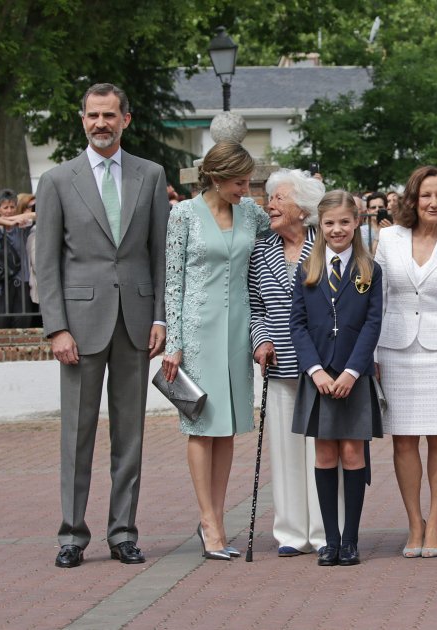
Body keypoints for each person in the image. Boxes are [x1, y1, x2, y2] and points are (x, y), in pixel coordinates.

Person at [36, 83, 168, 568]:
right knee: (77, 435)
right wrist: (56, 329)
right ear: (82, 119)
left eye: (109, 115)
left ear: (125, 120)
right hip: (79, 325)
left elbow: (158, 254)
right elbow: (45, 262)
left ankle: (123, 533)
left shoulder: (150, 176)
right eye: (92, 116)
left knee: (129, 435)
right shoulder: (56, 180)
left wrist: (159, 316)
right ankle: (72, 536)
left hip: (135, 323)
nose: (100, 124)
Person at [161, 141, 269, 561]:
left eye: (249, 181)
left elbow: (282, 239)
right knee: (200, 424)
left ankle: (218, 517)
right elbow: (173, 281)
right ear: (217, 177)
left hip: (239, 330)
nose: (246, 189)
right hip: (197, 330)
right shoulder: (183, 214)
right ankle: (208, 522)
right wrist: (175, 343)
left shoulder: (251, 214)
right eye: (239, 182)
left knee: (227, 427)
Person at [374, 166, 437, 558]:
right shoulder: (387, 237)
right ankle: (413, 522)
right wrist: (373, 354)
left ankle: (436, 521)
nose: (434, 202)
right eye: (426, 195)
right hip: (394, 348)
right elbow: (376, 298)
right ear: (412, 199)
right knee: (403, 439)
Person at [248, 168, 340, 558]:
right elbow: (255, 307)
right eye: (270, 198)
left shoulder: (326, 248)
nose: (270, 205)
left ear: (302, 208)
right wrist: (261, 340)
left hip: (320, 364)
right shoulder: (260, 250)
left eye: (279, 198)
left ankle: (323, 533)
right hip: (280, 365)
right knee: (285, 450)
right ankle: (290, 533)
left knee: (322, 449)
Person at [290, 190, 383, 567]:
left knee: (351, 452)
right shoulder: (306, 268)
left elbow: (373, 323)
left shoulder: (370, 270)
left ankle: (351, 540)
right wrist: (314, 370)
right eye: (329, 223)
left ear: (357, 222)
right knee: (326, 454)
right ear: (319, 225)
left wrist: (351, 371)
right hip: (319, 379)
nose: (337, 229)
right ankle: (330, 540)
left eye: (345, 221)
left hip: (352, 377)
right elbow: (296, 324)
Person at [0, 188, 37, 327]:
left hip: (22, 281)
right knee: (0, 324)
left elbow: (40, 214)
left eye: (12, 207)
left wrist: (17, 219)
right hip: (0, 284)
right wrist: (7, 223)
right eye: (5, 207)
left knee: (23, 323)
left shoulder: (22, 226)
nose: (9, 210)